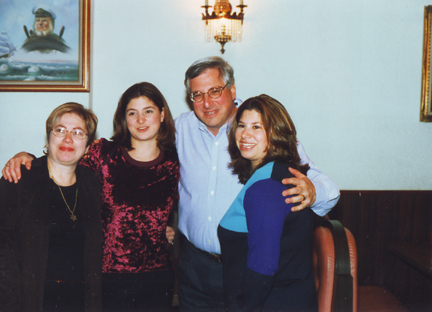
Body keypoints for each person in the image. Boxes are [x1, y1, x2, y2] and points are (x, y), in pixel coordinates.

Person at [175, 56, 339, 311]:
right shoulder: (181, 128)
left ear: (232, 90)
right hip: (193, 269)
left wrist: (313, 191)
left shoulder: (263, 126)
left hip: (247, 271)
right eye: (197, 94)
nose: (206, 103)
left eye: (215, 91)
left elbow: (325, 186)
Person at [1, 82, 180, 312]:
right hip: (107, 277)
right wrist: (24, 156)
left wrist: (164, 228)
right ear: (124, 118)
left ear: (162, 114)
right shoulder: (103, 153)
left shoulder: (174, 160)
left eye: (148, 111)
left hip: (157, 276)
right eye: (132, 113)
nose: (141, 120)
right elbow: (61, 160)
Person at [218, 94, 318, 312]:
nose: (245, 134)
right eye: (242, 125)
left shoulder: (265, 187)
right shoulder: (276, 173)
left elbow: (263, 266)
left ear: (276, 134)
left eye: (257, 127)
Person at [0, 102, 101, 312]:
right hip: (30, 302)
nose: (67, 139)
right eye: (60, 130)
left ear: (88, 147)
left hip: (80, 302)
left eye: (77, 132)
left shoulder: (93, 184)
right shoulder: (19, 178)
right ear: (48, 139)